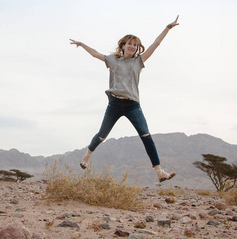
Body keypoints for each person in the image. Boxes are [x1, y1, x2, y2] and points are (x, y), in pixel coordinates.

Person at [69, 16, 179, 182]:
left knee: (147, 136)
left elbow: (155, 44)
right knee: (102, 135)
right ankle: (87, 155)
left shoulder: (138, 61)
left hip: (133, 105)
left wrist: (167, 28)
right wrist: (82, 44)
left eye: (135, 45)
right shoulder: (113, 60)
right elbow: (95, 54)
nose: (132, 47)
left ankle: (159, 172)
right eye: (130, 44)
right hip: (114, 103)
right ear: (123, 45)